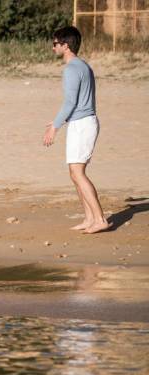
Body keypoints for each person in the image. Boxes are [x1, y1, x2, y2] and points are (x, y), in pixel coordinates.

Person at [43, 26, 110, 234]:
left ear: (66, 45)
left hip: (82, 124)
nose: (53, 47)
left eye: (55, 43)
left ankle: (99, 219)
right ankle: (89, 217)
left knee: (77, 173)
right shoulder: (83, 66)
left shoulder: (72, 68)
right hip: (82, 122)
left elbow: (70, 102)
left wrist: (54, 127)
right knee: (75, 173)